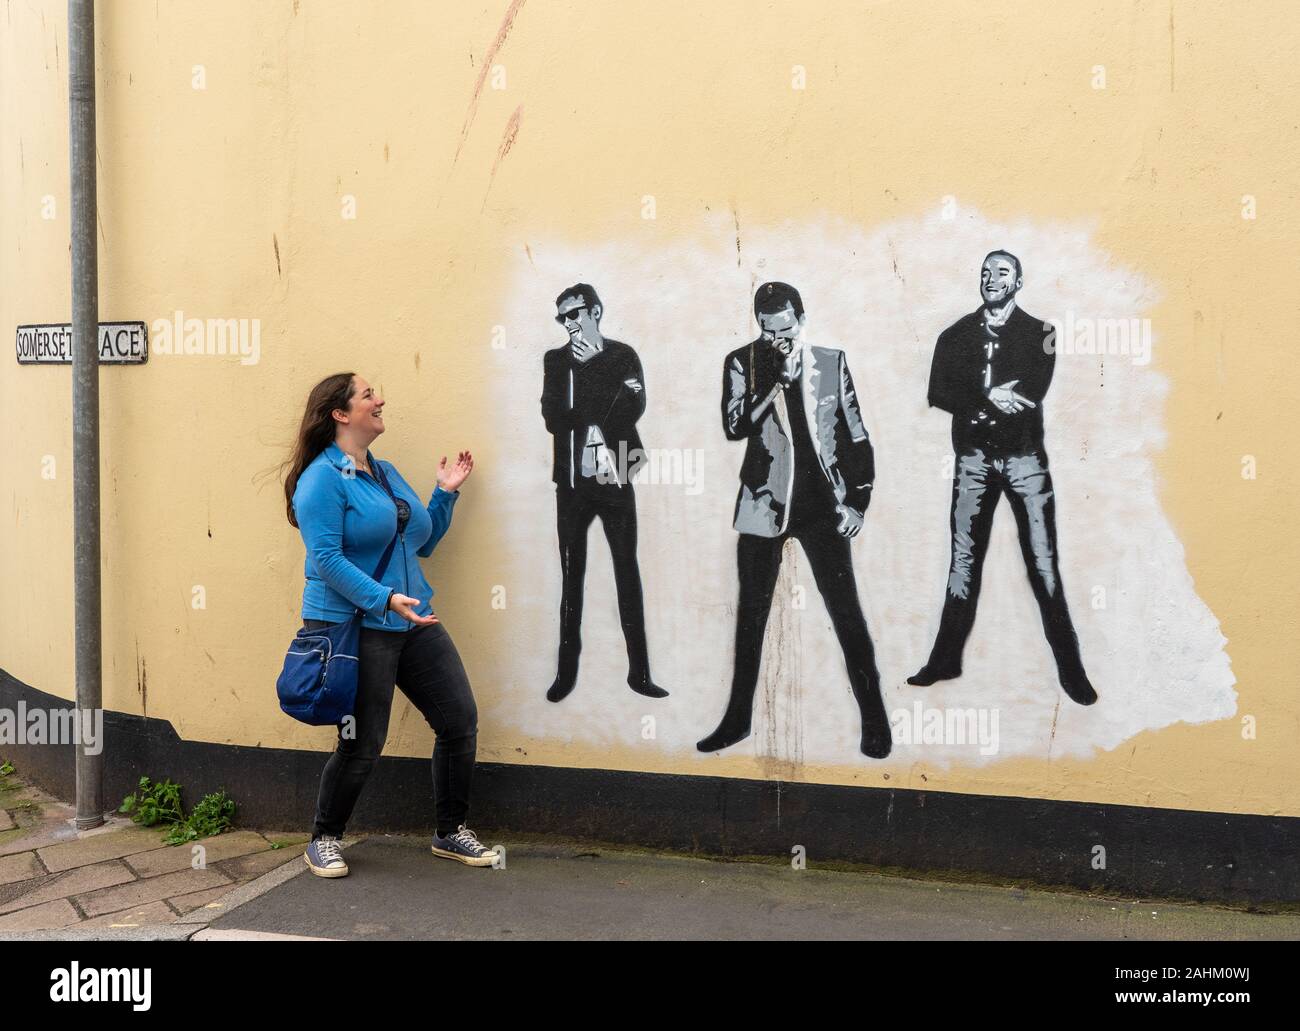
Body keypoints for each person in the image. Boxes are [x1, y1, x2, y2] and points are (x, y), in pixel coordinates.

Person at [283, 371, 498, 877]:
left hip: (413, 616)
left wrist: (444, 495)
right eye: (367, 395)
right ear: (340, 413)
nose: (380, 400)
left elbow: (420, 541)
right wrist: (384, 599)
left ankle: (450, 832)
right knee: (363, 742)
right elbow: (326, 561)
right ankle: (324, 838)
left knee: (458, 720)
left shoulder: (385, 472)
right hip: (359, 624)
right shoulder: (320, 480)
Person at [698, 282, 891, 759]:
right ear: (758, 326)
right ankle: (736, 720)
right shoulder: (742, 361)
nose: (778, 340)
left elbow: (857, 436)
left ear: (801, 321)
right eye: (768, 331)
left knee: (847, 614)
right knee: (751, 618)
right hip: (764, 503)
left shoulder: (832, 362)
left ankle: (875, 721)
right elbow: (735, 425)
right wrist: (775, 382)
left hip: (823, 506)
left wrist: (858, 504)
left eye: (785, 330)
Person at [908, 250, 1096, 705]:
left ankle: (1071, 671)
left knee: (1043, 563)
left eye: (1002, 273)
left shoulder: (1042, 333)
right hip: (972, 460)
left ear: (1019, 281)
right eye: (986, 273)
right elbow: (937, 390)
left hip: (1025, 461)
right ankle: (945, 659)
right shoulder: (954, 336)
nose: (992, 279)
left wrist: (982, 396)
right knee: (963, 562)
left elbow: (1034, 388)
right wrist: (988, 395)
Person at [540, 283, 667, 702]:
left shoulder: (622, 355)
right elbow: (554, 418)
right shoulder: (557, 361)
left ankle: (640, 673)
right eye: (563, 317)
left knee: (626, 571)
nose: (569, 323)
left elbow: (634, 408)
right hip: (573, 483)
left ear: (595, 311)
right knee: (571, 576)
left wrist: (592, 371)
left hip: (617, 475)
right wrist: (595, 389)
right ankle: (565, 674)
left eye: (574, 313)